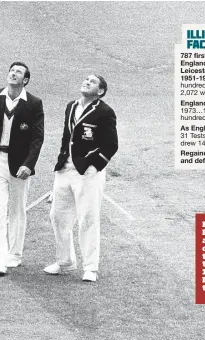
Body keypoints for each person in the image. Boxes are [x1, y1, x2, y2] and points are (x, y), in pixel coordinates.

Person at [44, 74, 118, 282]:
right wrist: (61, 162)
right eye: (86, 79)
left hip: (88, 173)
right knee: (57, 216)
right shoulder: (71, 106)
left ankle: (90, 268)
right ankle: (65, 261)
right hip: (65, 170)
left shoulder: (104, 112)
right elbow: (66, 138)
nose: (87, 82)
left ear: (100, 91)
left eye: (92, 82)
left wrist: (94, 166)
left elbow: (111, 145)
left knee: (88, 218)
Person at [0, 61, 44, 276]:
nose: (13, 74)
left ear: (25, 80)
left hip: (19, 164)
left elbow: (37, 138)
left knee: (17, 210)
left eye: (18, 72)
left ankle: (15, 254)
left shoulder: (33, 103)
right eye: (11, 70)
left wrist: (28, 164)